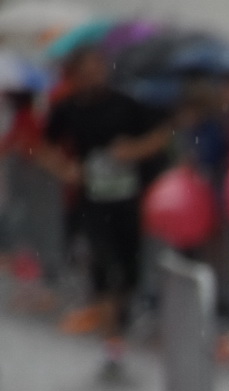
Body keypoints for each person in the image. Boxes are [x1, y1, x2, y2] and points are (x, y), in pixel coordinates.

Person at [39, 46, 171, 374]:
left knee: (128, 270)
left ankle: (120, 322)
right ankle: (111, 342)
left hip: (127, 199)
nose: (94, 76)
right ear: (75, 75)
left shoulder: (126, 104)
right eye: (86, 70)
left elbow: (160, 136)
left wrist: (133, 151)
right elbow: (41, 145)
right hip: (91, 201)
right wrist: (65, 169)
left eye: (98, 68)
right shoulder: (67, 108)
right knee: (102, 265)